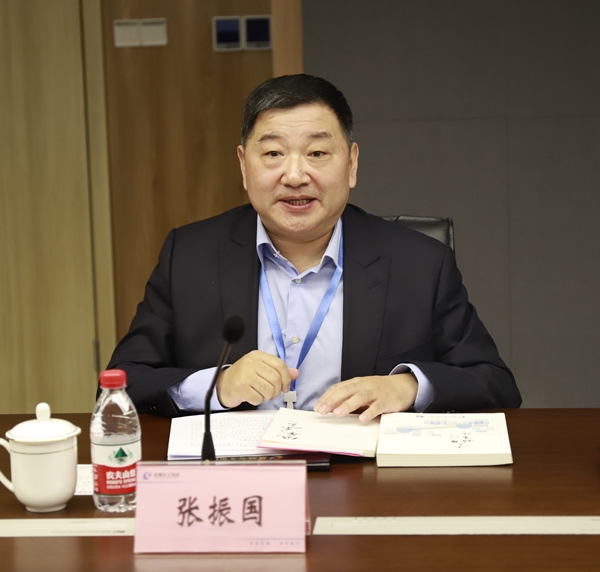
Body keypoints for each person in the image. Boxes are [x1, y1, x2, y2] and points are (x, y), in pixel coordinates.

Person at [107, 74, 521, 420]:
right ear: (244, 166)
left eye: (317, 152)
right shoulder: (190, 255)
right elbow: (122, 383)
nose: (294, 175)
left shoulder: (419, 263)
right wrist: (217, 385)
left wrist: (407, 387)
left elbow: (495, 384)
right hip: (239, 475)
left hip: (365, 479)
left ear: (351, 163)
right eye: (273, 153)